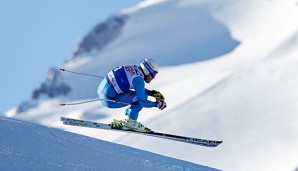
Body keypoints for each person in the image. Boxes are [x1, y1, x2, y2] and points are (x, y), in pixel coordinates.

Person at [97, 58, 167, 132]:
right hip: (109, 100)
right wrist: (158, 104)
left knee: (140, 94)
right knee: (142, 97)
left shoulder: (134, 69)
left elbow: (138, 88)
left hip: (102, 93)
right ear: (147, 71)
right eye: (153, 74)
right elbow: (142, 102)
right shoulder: (139, 80)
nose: (153, 78)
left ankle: (129, 120)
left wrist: (152, 93)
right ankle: (130, 121)